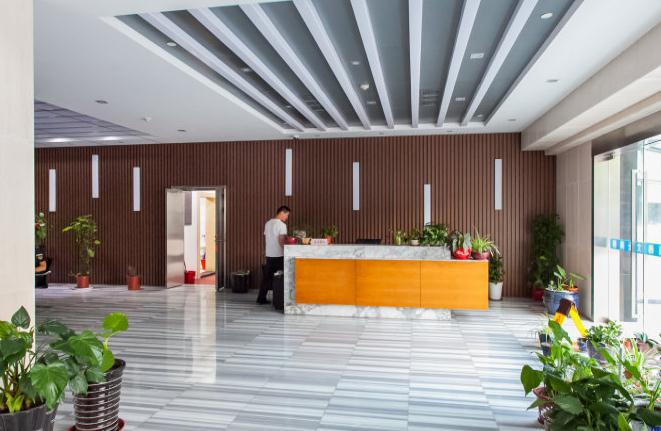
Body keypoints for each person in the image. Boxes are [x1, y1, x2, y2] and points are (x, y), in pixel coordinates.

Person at [257, 205, 290, 304]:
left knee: (266, 278)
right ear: (282, 213)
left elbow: (268, 238)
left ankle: (261, 298)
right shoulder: (282, 225)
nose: (287, 217)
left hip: (269, 254)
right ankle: (279, 300)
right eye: (287, 215)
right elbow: (281, 240)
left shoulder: (268, 223)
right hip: (279, 255)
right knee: (281, 278)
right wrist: (287, 250)